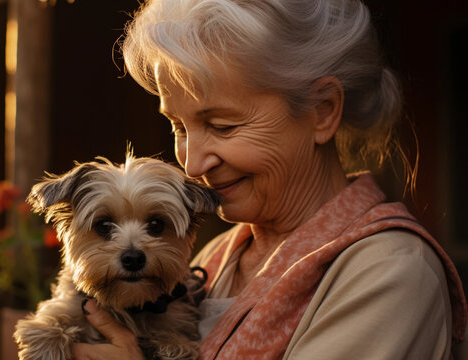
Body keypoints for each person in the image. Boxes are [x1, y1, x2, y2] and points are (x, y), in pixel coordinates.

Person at [72, 0, 468, 359]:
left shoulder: (390, 273)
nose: (192, 164)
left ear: (322, 111)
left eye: (222, 126)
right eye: (177, 126)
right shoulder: (219, 255)